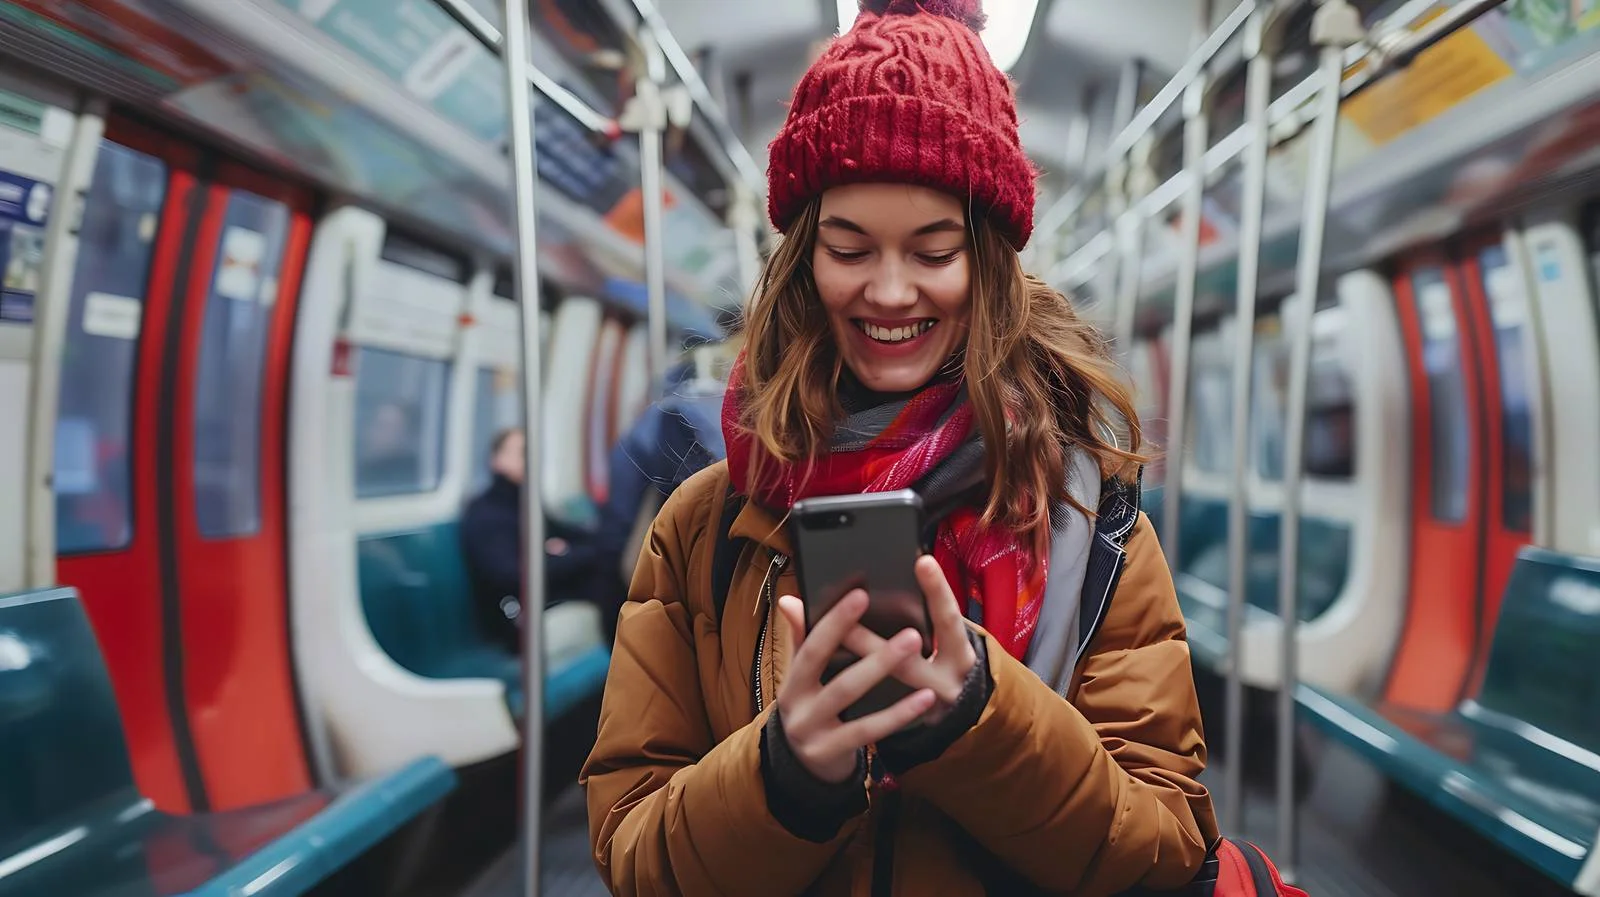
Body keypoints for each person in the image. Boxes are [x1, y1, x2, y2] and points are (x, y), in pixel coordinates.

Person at [579, 0, 1220, 893]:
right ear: (805, 260)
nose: (888, 290)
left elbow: (1166, 847)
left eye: (933, 251)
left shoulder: (1086, 520)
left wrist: (980, 721)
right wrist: (783, 775)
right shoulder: (704, 528)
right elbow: (635, 854)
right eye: (849, 248)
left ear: (988, 265)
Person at [460, 428, 606, 652]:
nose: (531, 460)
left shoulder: (525, 503)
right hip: (514, 616)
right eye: (523, 452)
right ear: (497, 460)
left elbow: (576, 537)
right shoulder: (487, 514)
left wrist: (573, 552)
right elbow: (512, 576)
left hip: (546, 594)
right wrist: (557, 555)